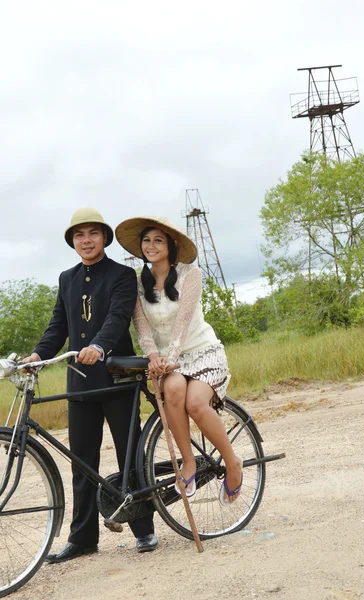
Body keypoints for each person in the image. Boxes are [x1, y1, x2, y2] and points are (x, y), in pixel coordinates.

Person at [23, 207, 157, 563]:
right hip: (80, 382)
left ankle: (144, 529)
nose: (86, 240)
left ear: (104, 238)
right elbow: (58, 326)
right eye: (79, 235)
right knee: (82, 461)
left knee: (130, 454)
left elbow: (117, 318)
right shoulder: (66, 278)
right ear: (72, 242)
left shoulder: (122, 274)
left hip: (116, 377)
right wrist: (37, 354)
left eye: (93, 233)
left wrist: (98, 346)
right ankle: (83, 538)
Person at [115, 216, 243, 505]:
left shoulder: (190, 274)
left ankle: (232, 461)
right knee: (172, 390)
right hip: (166, 360)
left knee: (195, 403)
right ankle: (188, 463)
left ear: (171, 246)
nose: (151, 246)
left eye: (158, 240)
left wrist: (170, 357)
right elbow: (142, 327)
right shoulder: (138, 283)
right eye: (146, 240)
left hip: (202, 353)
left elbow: (183, 323)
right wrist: (153, 357)